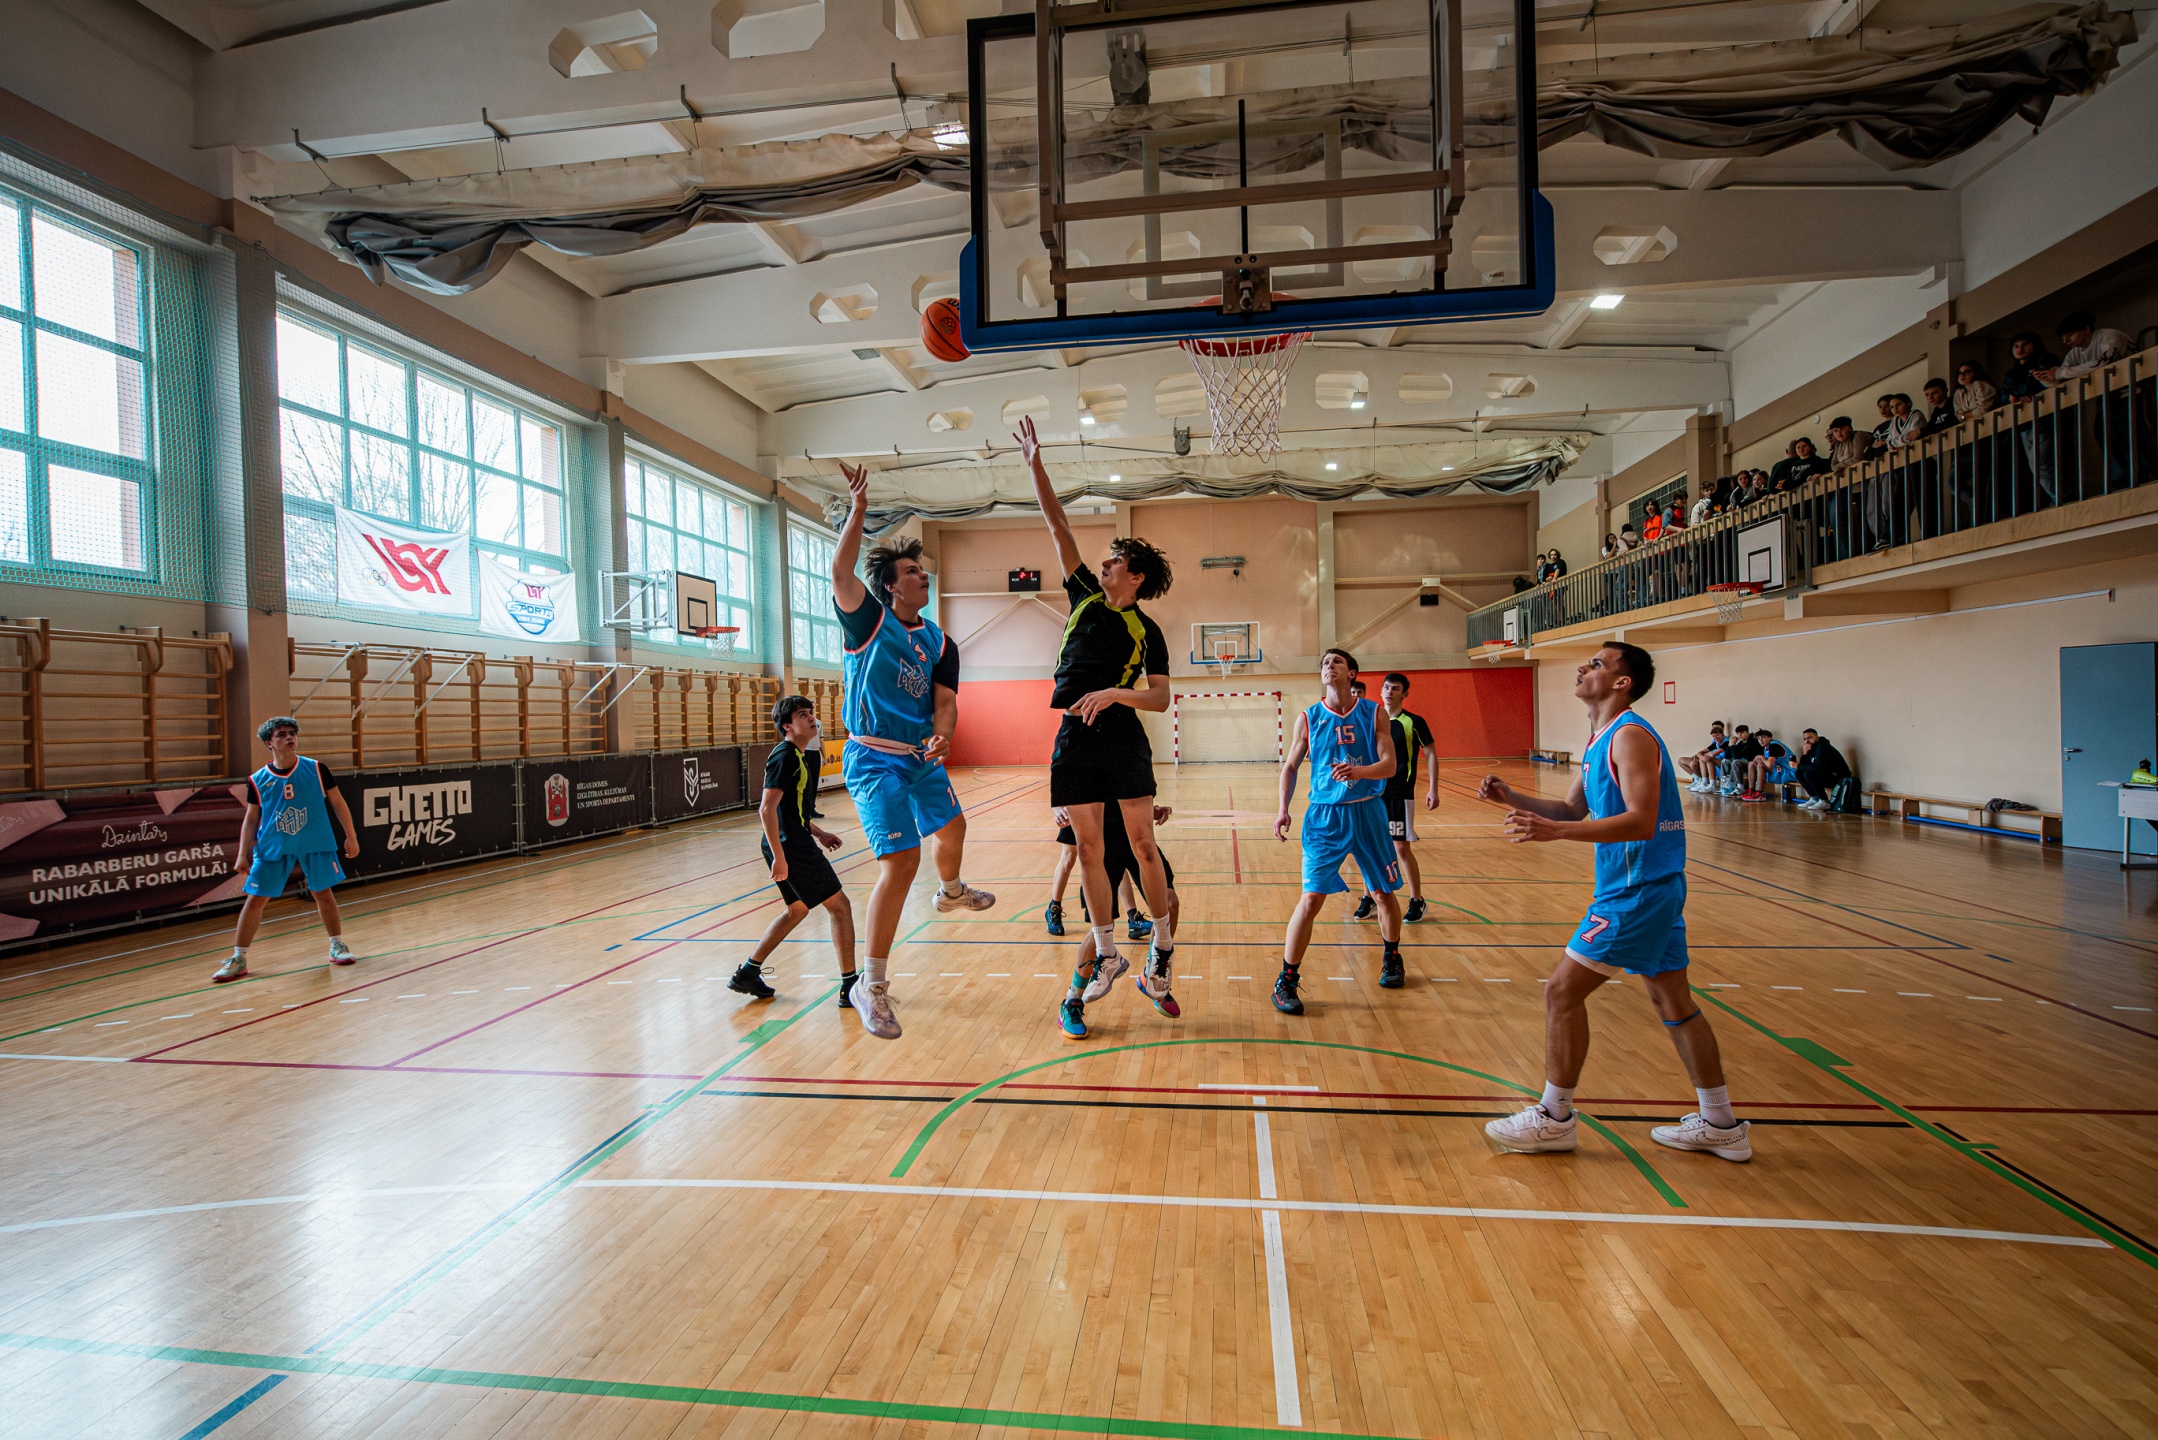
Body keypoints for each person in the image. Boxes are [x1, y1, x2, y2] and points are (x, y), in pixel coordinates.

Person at [1478, 642, 1752, 1162]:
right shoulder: (1601, 738)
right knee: (1674, 1003)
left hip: (1637, 892)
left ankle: (1554, 1117)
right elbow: (1570, 808)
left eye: (1598, 664)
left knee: (1561, 993)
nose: (1585, 667)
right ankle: (1721, 1125)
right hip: (1649, 888)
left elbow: (1641, 820)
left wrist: (1556, 834)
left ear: (1622, 683)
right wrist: (1511, 796)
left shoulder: (1629, 736)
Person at [1016, 414, 1180, 1022]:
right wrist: (1035, 465)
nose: (1105, 564)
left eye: (1116, 561)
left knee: (1143, 845)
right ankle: (1108, 954)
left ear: (1136, 577)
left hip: (1121, 736)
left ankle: (1162, 948)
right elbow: (1057, 525)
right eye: (1106, 560)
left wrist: (1115, 693)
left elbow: (1159, 698)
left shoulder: (1147, 630)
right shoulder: (1084, 595)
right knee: (1087, 849)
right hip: (1074, 736)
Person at [831, 463, 993, 1041]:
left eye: (922, 570)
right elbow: (841, 571)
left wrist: (944, 733)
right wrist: (858, 510)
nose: (922, 575)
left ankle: (951, 893)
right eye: (912, 572)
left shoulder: (940, 641)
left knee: (953, 829)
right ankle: (870, 984)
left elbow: (945, 701)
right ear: (892, 587)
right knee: (901, 862)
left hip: (920, 756)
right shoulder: (867, 622)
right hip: (874, 757)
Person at [1271, 648, 1402, 1014]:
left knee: (1382, 894)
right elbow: (1290, 767)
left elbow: (1389, 764)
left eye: (1336, 662)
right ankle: (1286, 980)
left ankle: (1392, 958)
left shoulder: (1374, 713)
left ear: (1352, 673)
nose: (1329, 666)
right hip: (1324, 817)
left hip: (1367, 811)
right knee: (1311, 899)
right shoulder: (1308, 718)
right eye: (1325, 663)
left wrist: (1359, 772)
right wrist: (1282, 809)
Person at [213, 716, 361, 983]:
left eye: (292, 733)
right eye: (281, 734)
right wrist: (242, 853)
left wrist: (351, 836)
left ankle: (337, 944)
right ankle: (238, 958)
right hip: (274, 845)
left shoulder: (316, 768)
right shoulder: (258, 779)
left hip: (315, 841)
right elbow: (251, 818)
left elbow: (338, 803)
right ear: (269, 743)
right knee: (255, 900)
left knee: (323, 893)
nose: (289, 737)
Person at [731, 696, 856, 1005]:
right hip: (790, 846)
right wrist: (779, 856)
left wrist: (820, 833)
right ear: (787, 725)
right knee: (840, 907)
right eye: (803, 714)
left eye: (811, 713)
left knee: (797, 909)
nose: (812, 718)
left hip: (792, 840)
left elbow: (792, 810)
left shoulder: (798, 756)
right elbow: (766, 809)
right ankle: (850, 985)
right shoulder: (785, 757)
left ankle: (748, 972)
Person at [1054, 801, 1178, 1038]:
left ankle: (1153, 974)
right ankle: (1072, 1002)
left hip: (1135, 833)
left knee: (1170, 904)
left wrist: (1150, 809)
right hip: (1103, 839)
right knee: (1101, 928)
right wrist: (1057, 809)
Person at [1355, 673, 1438, 924]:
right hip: (1372, 792)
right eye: (1386, 687)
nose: (1390, 692)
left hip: (1400, 793)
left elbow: (1431, 753)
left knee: (1401, 847)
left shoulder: (1413, 722)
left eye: (1396, 688)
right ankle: (1369, 897)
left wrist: (1433, 788)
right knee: (1368, 846)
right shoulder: (1370, 720)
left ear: (1405, 694)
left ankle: (1417, 900)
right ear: (1381, 691)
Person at [1047, 812, 1149, 940]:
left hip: (1103, 812)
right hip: (1078, 810)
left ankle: (1133, 918)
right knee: (1069, 857)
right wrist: (1059, 810)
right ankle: (1054, 908)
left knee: (1116, 858)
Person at [1795, 728, 1852, 811]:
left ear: (1817, 737)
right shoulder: (1811, 748)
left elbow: (1818, 767)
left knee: (1809, 774)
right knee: (1799, 773)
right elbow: (1804, 766)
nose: (1807, 741)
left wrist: (1798, 765)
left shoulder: (1823, 747)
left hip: (1839, 777)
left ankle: (1824, 801)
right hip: (1825, 774)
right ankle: (1814, 798)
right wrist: (1804, 754)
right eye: (1805, 739)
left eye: (1810, 738)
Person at [1741, 729, 1795, 803]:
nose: (1761, 740)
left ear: (1770, 737)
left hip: (1789, 771)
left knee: (1760, 765)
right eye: (1759, 738)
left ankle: (1759, 793)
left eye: (1763, 737)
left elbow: (1769, 765)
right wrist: (1759, 759)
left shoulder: (1774, 746)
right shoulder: (1766, 747)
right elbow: (1756, 759)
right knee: (1752, 764)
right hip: (1779, 770)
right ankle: (1751, 790)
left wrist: (1762, 758)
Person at [1679, 720, 1726, 792]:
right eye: (1714, 735)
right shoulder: (1715, 742)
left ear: (1722, 731)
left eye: (1717, 733)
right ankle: (1699, 780)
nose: (1715, 737)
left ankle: (1708, 783)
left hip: (1721, 762)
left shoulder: (1727, 741)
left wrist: (1705, 756)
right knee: (1681, 760)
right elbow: (1700, 752)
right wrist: (1702, 756)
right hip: (1710, 761)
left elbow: (1714, 754)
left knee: (1703, 760)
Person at [1717, 723, 1760, 797]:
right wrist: (1730, 745)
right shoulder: (1741, 742)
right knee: (1725, 761)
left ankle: (1740, 787)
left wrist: (1733, 746)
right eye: (1738, 733)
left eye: (1742, 733)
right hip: (1744, 762)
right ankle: (1726, 785)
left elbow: (1736, 757)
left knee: (1735, 762)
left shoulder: (1752, 741)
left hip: (1752, 764)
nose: (1740, 735)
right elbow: (1727, 756)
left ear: (1747, 732)